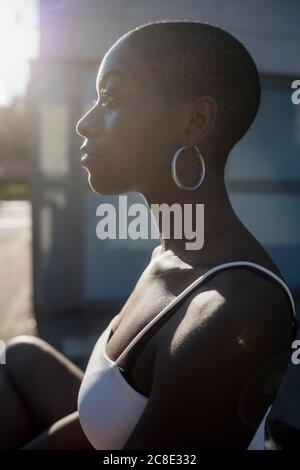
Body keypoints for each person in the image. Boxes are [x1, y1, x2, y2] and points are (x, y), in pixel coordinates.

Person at [0, 20, 297, 450]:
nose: (85, 123)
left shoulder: (233, 309)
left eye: (111, 97)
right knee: (18, 355)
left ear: (195, 121)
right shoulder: (173, 252)